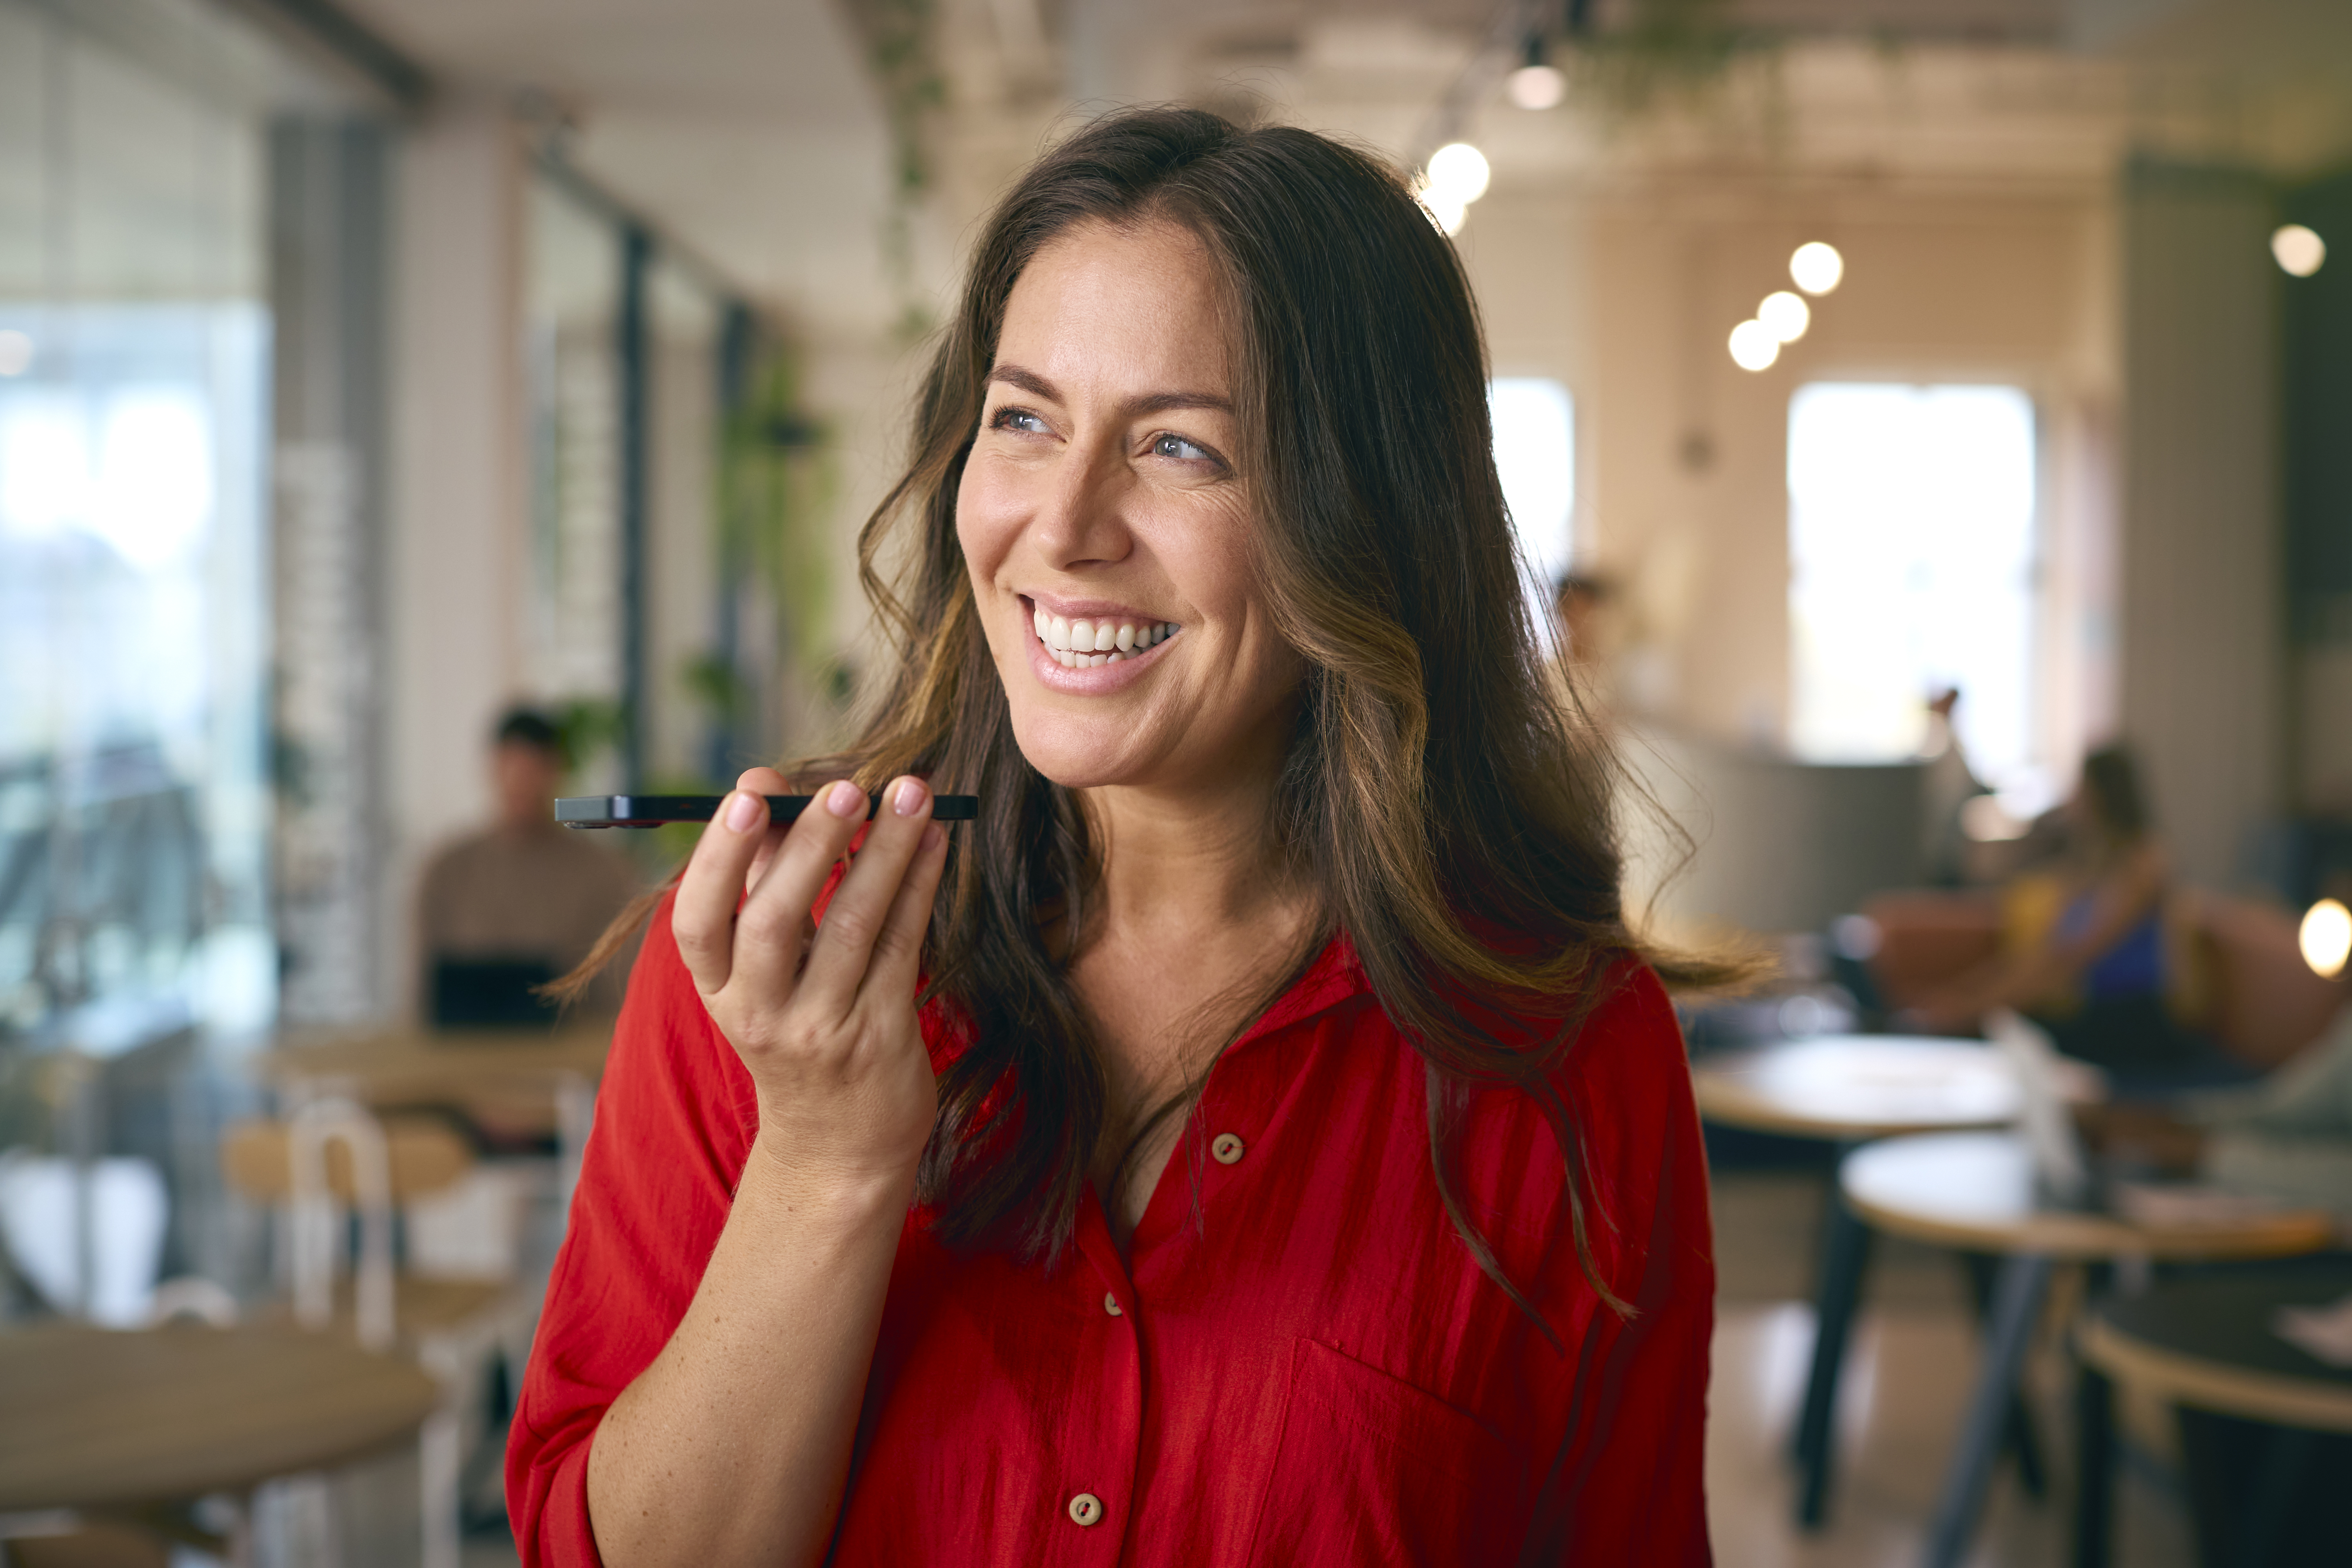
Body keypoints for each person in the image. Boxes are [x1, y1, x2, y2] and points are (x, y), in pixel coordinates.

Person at [508, 109, 1729, 1566]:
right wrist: (825, 1164)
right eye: (1023, 418)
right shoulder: (772, 965)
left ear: (1366, 518)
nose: (1065, 525)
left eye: (1177, 446)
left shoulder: (1570, 1051)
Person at [1912, 743, 2223, 1086]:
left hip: (2135, 1018)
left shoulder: (2143, 863)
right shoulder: (2088, 864)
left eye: (2081, 789)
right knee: (1998, 1035)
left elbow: (2070, 959)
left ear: (2102, 796)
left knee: (2011, 1039)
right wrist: (1962, 995)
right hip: (2096, 1014)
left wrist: (1972, 1011)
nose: (2073, 798)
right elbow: (2040, 957)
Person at [417, 706, 641, 1024]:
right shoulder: (446, 870)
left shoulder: (604, 871)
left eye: (533, 770)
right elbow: (422, 992)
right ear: (492, 768)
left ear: (556, 772)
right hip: (465, 1059)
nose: (522, 784)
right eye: (512, 768)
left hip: (573, 1054)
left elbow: (621, 990)